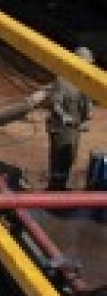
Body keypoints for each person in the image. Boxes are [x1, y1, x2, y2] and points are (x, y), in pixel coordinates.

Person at [47, 46, 94, 191]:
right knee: (59, 158)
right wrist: (64, 117)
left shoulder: (85, 80)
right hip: (61, 128)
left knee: (70, 157)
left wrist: (86, 116)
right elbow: (55, 103)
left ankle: (61, 186)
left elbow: (87, 104)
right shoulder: (63, 80)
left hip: (75, 128)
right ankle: (55, 189)